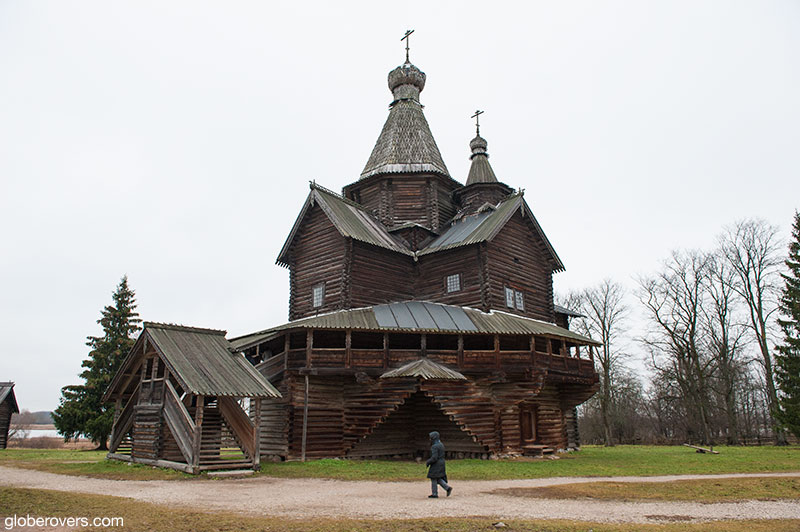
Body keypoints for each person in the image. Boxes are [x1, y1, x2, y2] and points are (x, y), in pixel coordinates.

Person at [425, 431, 452, 498]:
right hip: (441, 462)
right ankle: (447, 488)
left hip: (436, 464)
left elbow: (434, 457)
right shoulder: (441, 444)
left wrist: (428, 462)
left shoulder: (434, 446)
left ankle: (435, 494)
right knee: (437, 478)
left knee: (433, 477)